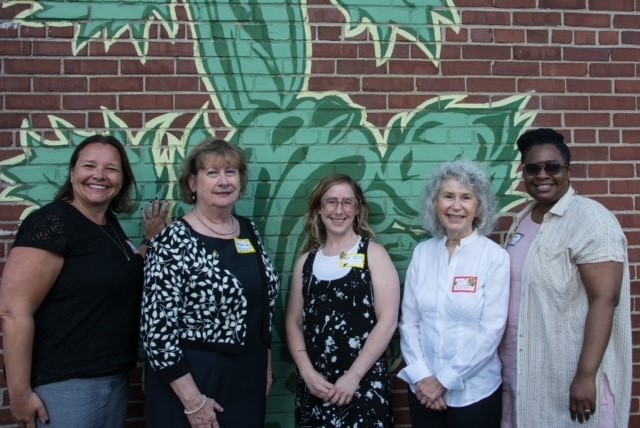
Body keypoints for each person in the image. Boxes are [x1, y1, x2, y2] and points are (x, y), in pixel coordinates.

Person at [0, 134, 165, 428]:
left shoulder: (108, 224)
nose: (99, 175)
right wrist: (20, 394)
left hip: (112, 379)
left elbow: (121, 270)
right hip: (66, 385)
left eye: (111, 169)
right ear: (73, 171)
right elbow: (13, 312)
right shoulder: (53, 223)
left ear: (122, 179)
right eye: (89, 165)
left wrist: (151, 242)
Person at [141, 138, 280, 428]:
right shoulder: (172, 241)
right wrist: (193, 402)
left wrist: (264, 361)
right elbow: (157, 331)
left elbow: (260, 303)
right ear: (193, 183)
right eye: (212, 173)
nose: (224, 181)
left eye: (231, 172)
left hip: (246, 375)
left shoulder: (248, 230)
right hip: (192, 380)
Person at [499, 128, 631, 427]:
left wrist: (586, 376)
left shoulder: (589, 219)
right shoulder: (525, 218)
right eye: (533, 168)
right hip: (521, 373)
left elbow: (605, 299)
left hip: (566, 373)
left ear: (568, 171)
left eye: (552, 167)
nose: (542, 175)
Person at [398, 160, 510, 428]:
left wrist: (443, 381)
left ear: (478, 206)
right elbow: (409, 323)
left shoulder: (495, 258)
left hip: (475, 393)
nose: (456, 206)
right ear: (435, 204)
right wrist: (424, 378)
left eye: (466, 197)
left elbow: (491, 331)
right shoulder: (423, 253)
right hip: (423, 391)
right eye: (448, 196)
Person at [285, 173, 400, 427]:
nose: (339, 210)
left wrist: (353, 376)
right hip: (317, 389)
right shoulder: (307, 262)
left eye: (347, 202)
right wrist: (307, 373)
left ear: (357, 209)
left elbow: (388, 320)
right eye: (331, 202)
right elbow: (293, 322)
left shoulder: (373, 254)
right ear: (319, 209)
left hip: (363, 386)